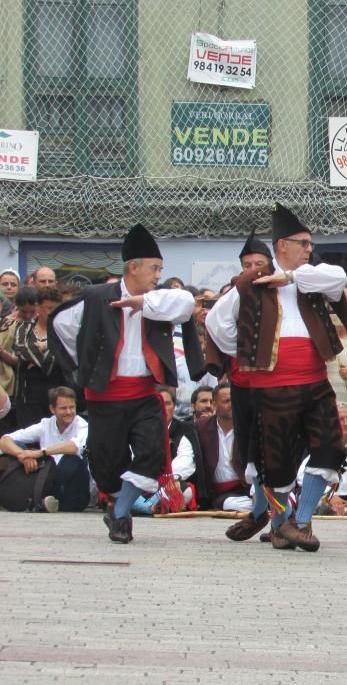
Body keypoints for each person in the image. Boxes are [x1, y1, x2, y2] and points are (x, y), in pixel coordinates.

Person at [206, 203, 347, 552]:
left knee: (330, 446)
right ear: (281, 246)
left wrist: (288, 277)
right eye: (302, 243)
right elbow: (216, 324)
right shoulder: (251, 284)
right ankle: (278, 524)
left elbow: (340, 279)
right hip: (272, 387)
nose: (309, 249)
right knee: (276, 462)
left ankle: (300, 522)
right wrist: (249, 350)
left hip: (316, 382)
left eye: (309, 243)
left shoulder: (313, 278)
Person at [48, 223, 203, 543]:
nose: (158, 274)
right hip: (104, 394)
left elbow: (187, 303)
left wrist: (143, 304)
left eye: (161, 268)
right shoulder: (96, 296)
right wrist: (83, 365)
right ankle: (119, 504)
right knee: (107, 463)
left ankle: (120, 513)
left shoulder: (159, 300)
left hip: (145, 393)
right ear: (133, 267)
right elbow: (61, 324)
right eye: (154, 268)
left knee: (152, 453)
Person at [213, 229, 276, 541]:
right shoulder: (237, 292)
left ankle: (275, 516)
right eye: (248, 264)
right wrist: (242, 350)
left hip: (277, 382)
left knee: (276, 450)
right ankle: (266, 512)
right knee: (253, 450)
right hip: (245, 383)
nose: (254, 269)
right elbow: (215, 323)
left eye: (259, 263)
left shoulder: (280, 288)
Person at [0, 386, 89, 512]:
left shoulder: (83, 425)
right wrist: (23, 455)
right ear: (52, 409)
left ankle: (42, 502)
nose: (69, 412)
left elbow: (74, 446)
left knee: (71, 459)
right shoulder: (45, 425)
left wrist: (40, 453)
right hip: (46, 483)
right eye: (63, 408)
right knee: (18, 446)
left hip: (74, 491)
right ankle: (43, 502)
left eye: (72, 407)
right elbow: (4, 440)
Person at [132, 386, 201, 514]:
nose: (163, 408)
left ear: (174, 406)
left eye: (168, 403)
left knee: (185, 490)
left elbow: (185, 463)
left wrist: (160, 480)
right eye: (159, 403)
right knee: (120, 487)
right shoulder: (139, 429)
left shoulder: (184, 430)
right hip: (140, 484)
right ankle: (151, 508)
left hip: (167, 484)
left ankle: (148, 506)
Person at [12, 286, 67, 427]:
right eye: (48, 308)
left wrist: (44, 347)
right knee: (27, 439)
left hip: (56, 395)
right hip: (27, 395)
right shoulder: (24, 327)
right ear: (38, 307)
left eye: (56, 308)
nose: (53, 312)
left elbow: (57, 359)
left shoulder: (64, 331)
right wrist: (51, 348)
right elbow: (22, 349)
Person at [194, 382, 252, 512]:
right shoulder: (201, 427)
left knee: (273, 498)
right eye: (227, 401)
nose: (232, 405)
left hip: (247, 488)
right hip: (220, 494)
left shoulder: (247, 427)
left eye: (234, 400)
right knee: (232, 504)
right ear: (214, 405)